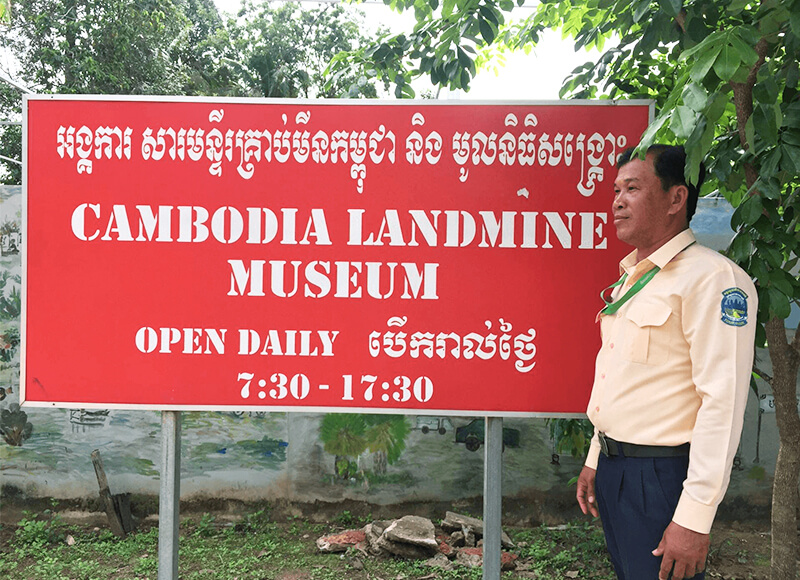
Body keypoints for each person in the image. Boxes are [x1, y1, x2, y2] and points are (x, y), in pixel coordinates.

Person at [575, 145, 757, 580]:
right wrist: (596, 457)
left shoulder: (714, 280)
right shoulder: (633, 279)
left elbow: (723, 403)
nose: (617, 200)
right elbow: (621, 379)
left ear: (677, 199)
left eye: (633, 188)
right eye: (616, 189)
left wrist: (694, 517)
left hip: (662, 478)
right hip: (617, 471)